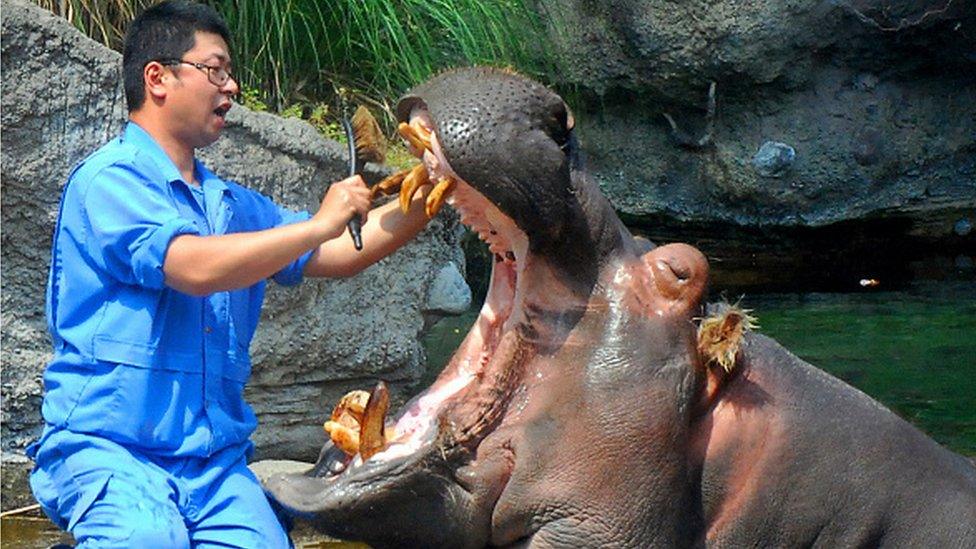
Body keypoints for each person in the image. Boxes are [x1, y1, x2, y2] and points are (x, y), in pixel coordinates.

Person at [25, 2, 433, 547]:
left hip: (213, 467)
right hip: (108, 451)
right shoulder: (108, 181)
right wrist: (317, 225)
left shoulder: (231, 204)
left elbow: (341, 250)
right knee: (147, 540)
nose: (232, 86)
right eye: (215, 70)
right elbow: (191, 266)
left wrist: (434, 185)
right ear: (158, 78)